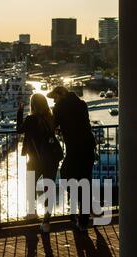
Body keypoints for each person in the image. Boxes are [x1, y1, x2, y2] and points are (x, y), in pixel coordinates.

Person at [47, 86, 96, 231]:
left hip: (74, 149)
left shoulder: (60, 107)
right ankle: (83, 221)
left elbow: (52, 126)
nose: (54, 101)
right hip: (88, 147)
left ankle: (75, 210)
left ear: (60, 96)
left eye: (55, 98)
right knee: (85, 181)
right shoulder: (82, 104)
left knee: (66, 175)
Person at [17, 93, 62, 233]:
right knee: (49, 188)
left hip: (35, 158)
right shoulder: (51, 118)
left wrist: (19, 111)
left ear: (33, 105)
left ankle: (32, 212)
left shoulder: (31, 119)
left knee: (31, 185)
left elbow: (19, 129)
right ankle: (47, 221)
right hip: (52, 158)